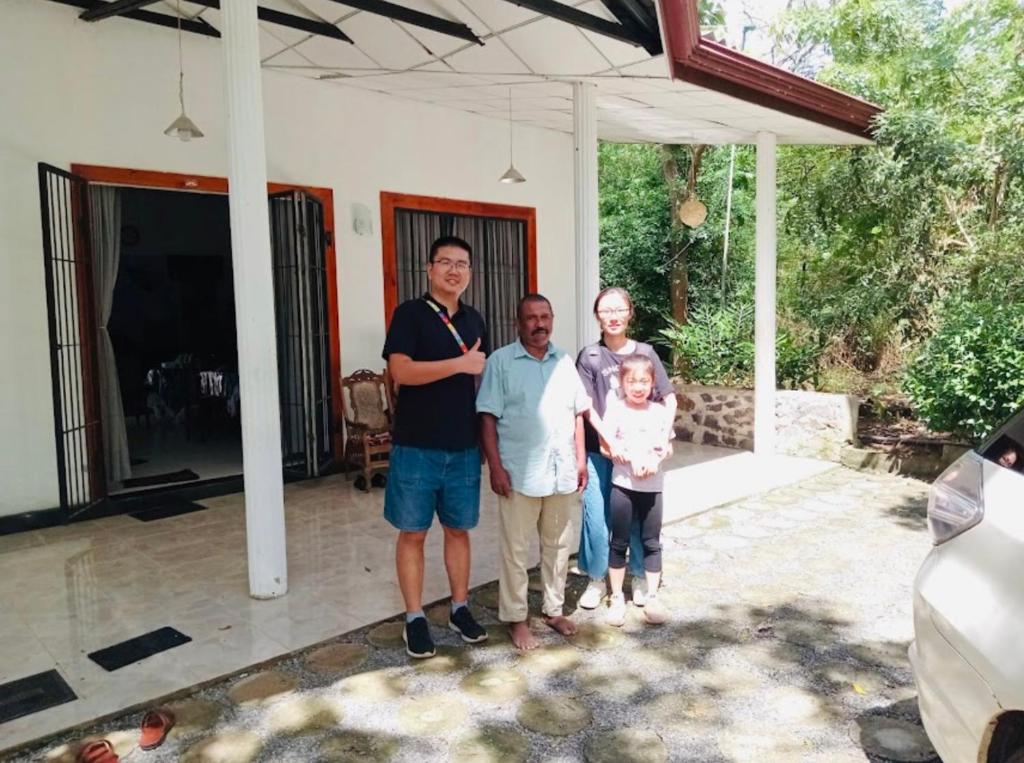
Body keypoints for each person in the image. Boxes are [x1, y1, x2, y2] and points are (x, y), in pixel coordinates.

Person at [382, 235, 489, 659]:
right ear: (429, 269)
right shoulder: (410, 314)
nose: (454, 270)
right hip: (416, 445)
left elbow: (482, 380)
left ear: (470, 272)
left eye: (462, 263)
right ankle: (414, 617)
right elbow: (401, 372)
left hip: (463, 445)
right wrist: (459, 365)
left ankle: (459, 607)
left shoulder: (475, 320)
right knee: (413, 533)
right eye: (445, 262)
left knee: (459, 530)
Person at [477, 293, 589, 650]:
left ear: (552, 319)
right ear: (518, 323)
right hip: (519, 473)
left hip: (562, 471)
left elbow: (577, 415)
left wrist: (582, 459)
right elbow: (487, 417)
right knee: (516, 550)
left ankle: (553, 610)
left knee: (558, 547)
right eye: (531, 318)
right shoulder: (501, 362)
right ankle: (516, 618)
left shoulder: (565, 361)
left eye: (545, 316)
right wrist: (495, 466)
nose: (539, 324)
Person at [575, 287, 677, 611]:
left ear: (630, 313)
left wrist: (661, 442)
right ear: (597, 316)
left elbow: (668, 399)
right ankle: (594, 579)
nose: (613, 316)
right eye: (606, 311)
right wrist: (610, 441)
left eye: (619, 310)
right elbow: (587, 405)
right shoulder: (590, 355)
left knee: (636, 518)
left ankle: (637, 575)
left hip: (641, 455)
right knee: (597, 518)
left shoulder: (646, 352)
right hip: (599, 450)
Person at [601, 354, 673, 626]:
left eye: (644, 380)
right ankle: (617, 597)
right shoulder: (616, 410)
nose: (638, 386)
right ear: (622, 383)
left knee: (651, 542)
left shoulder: (660, 412)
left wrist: (656, 460)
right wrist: (630, 459)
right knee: (618, 541)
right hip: (624, 486)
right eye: (632, 381)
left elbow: (669, 447)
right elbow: (607, 447)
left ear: (653, 382)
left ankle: (653, 596)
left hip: (653, 488)